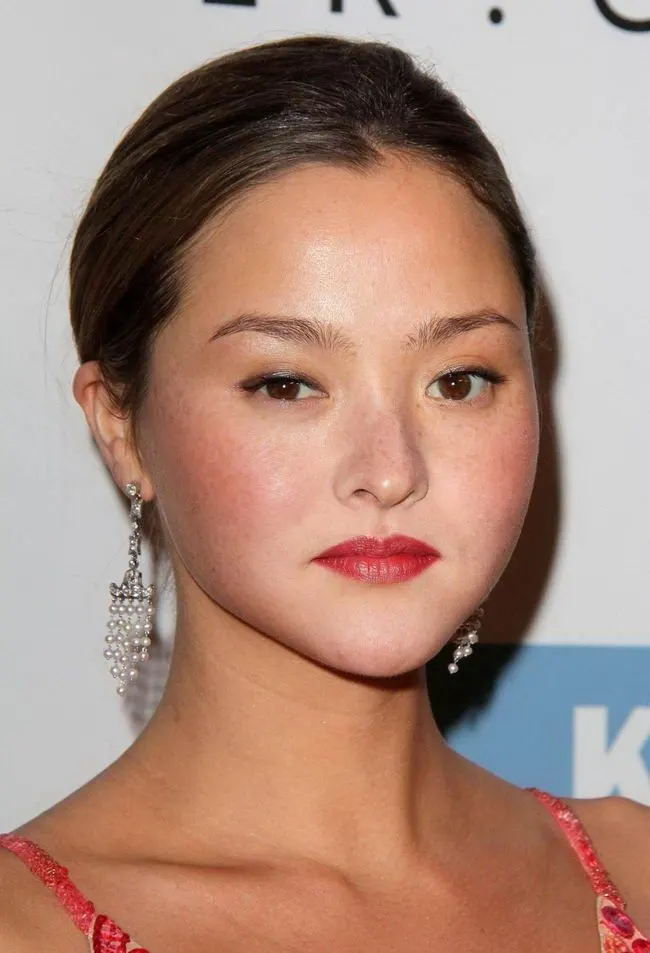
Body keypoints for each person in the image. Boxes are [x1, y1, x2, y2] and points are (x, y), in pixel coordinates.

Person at [1, 33, 648, 953]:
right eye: (287, 384)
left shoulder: (637, 867)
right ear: (119, 425)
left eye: (458, 379)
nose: (390, 470)